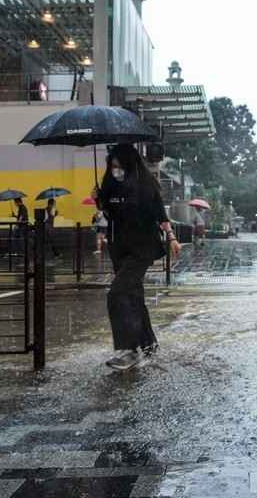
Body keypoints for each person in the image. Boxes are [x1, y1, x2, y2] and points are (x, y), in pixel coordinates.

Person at [93, 145, 181, 371]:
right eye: (112, 166)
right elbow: (110, 214)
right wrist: (99, 199)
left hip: (142, 248)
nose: (116, 170)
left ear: (129, 165)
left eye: (119, 166)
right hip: (119, 249)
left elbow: (160, 214)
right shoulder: (110, 186)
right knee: (133, 296)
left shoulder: (145, 186)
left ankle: (129, 350)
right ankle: (148, 344)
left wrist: (171, 237)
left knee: (118, 293)